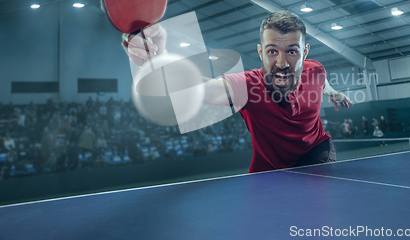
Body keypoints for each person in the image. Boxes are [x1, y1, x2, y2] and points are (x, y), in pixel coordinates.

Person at [123, 11, 353, 173]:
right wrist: (159, 60)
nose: (282, 62)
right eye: (273, 51)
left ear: (305, 52)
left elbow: (323, 84)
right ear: (261, 53)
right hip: (267, 170)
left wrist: (335, 93)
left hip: (315, 152)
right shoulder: (248, 86)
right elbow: (204, 90)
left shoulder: (316, 71)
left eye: (292, 52)